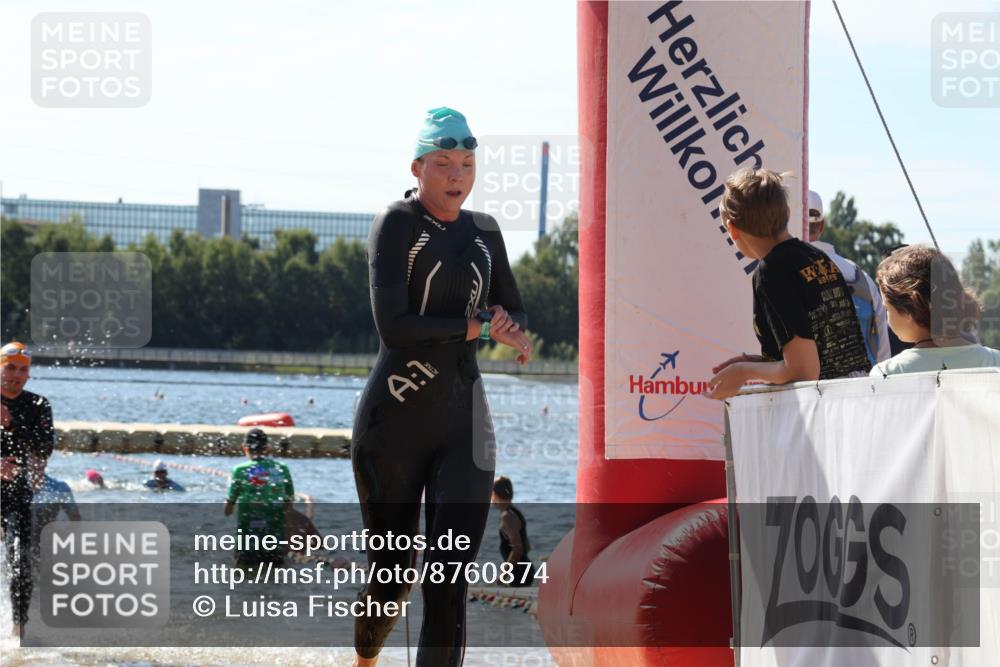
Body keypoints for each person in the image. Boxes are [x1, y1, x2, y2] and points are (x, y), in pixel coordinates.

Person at [351, 107, 532, 667]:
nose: (458, 174)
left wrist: (511, 331)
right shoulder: (397, 223)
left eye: (467, 164)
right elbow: (395, 326)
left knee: (449, 579)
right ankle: (365, 661)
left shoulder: (485, 232)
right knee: (393, 577)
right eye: (444, 163)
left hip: (464, 425)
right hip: (394, 421)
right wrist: (475, 326)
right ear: (418, 168)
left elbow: (516, 313)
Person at [706, 169, 871, 400]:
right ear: (787, 213)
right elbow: (821, 349)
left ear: (732, 229)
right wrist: (757, 363)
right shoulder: (816, 257)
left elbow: (803, 371)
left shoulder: (772, 271)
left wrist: (743, 372)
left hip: (824, 412)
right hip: (853, 400)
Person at [871, 245, 1000, 376]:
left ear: (907, 310)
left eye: (886, 307)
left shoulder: (887, 373)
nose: (887, 318)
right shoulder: (995, 361)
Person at [1, 341, 54, 637]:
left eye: (23, 370)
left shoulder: (38, 405)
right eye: (10, 367)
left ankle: (18, 630)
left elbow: (44, 449)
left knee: (21, 561)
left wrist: (11, 425)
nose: (16, 375)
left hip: (15, 493)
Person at [807, 190, 890, 365]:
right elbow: (883, 352)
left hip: (809, 388)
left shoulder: (781, 275)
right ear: (822, 226)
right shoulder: (861, 276)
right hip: (865, 386)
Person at [224, 428, 294, 568]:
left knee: (243, 576)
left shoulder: (240, 470)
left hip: (246, 541)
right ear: (267, 448)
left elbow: (228, 509)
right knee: (274, 576)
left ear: (244, 448)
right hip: (274, 540)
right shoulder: (282, 468)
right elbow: (288, 505)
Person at [490, 476, 535, 588]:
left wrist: (502, 576)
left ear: (494, 494)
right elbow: (527, 547)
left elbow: (518, 550)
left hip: (520, 574)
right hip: (523, 571)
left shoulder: (507, 517)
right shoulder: (515, 513)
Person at [31, 473, 81, 560]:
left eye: (40, 459)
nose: (35, 461)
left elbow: (75, 518)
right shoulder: (10, 486)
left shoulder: (59, 487)